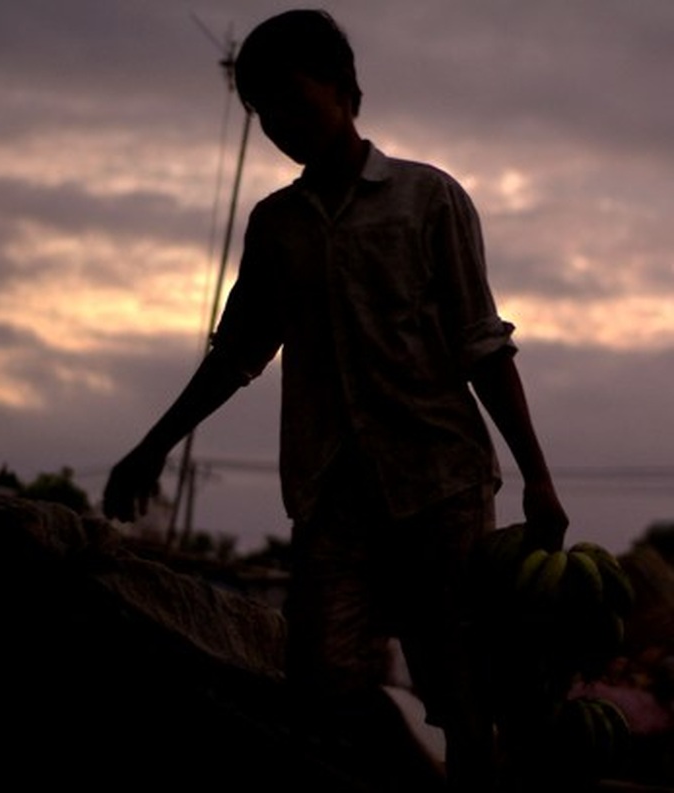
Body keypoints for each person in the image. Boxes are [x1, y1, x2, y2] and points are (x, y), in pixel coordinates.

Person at [102, 9, 568, 791]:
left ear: (346, 92)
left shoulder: (429, 200)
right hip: (331, 497)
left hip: (439, 487)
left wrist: (538, 475)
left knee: (461, 689)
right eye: (265, 112)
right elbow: (237, 356)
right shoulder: (276, 226)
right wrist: (152, 445)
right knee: (323, 688)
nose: (282, 124)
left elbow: (481, 346)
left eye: (294, 100)